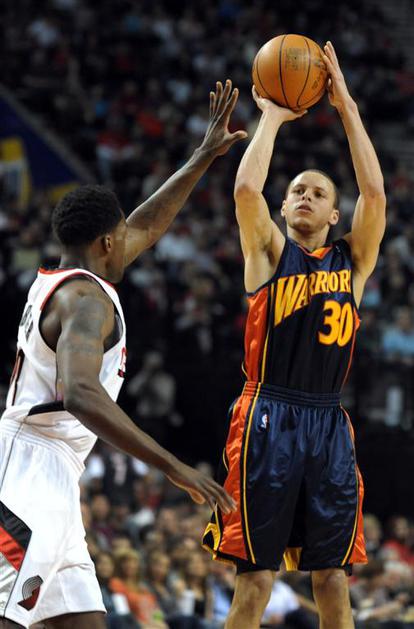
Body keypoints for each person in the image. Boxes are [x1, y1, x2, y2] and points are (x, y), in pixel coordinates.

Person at [0, 79, 246, 629]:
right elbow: (81, 394)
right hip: (28, 473)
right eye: (121, 234)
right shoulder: (86, 301)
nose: (131, 238)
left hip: (56, 478)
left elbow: (147, 225)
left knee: (84, 621)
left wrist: (202, 157)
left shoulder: (68, 279)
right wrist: (174, 467)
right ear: (106, 243)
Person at [202, 42, 386, 629]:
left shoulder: (353, 263)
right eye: (298, 191)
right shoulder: (268, 254)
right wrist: (273, 118)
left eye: (319, 193)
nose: (305, 196)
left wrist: (346, 106)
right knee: (256, 581)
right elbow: (245, 192)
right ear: (283, 209)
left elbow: (376, 196)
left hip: (328, 422)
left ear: (335, 216)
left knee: (333, 580)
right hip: (267, 415)